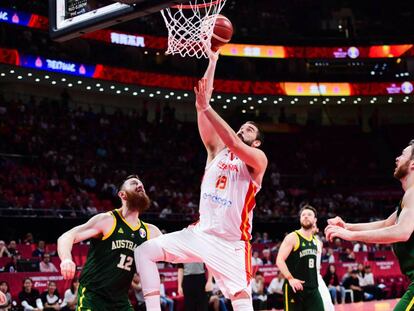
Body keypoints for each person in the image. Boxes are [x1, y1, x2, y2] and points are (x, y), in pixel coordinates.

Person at [134, 49, 268, 311]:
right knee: (144, 252)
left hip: (231, 244)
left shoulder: (257, 160)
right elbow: (201, 104)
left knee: (241, 299)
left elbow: (229, 136)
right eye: (242, 126)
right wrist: (213, 61)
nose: (243, 129)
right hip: (201, 233)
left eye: (249, 129)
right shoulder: (216, 151)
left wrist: (208, 107)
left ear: (257, 141)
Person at [325, 140, 414, 310]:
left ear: (413, 164)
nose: (397, 158)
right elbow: (386, 224)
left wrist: (351, 236)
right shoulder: (408, 198)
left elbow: (402, 232)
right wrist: (347, 226)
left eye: (403, 154)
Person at [57, 175, 162, 311]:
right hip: (94, 297)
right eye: (134, 183)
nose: (140, 186)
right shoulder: (108, 221)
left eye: (142, 186)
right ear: (122, 195)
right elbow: (67, 236)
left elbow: (176, 250)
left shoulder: (150, 232)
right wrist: (66, 259)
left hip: (120, 300)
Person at [276, 205, 324, 310]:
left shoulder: (317, 242)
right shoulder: (292, 237)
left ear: (315, 220)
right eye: (303, 215)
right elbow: (279, 260)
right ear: (300, 219)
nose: (306, 216)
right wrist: (290, 278)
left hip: (313, 289)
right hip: (295, 289)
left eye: (309, 214)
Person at [312, 225, 334, 311]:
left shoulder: (319, 242)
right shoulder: (298, 239)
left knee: (328, 303)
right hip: (303, 276)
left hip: (316, 275)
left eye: (314, 226)